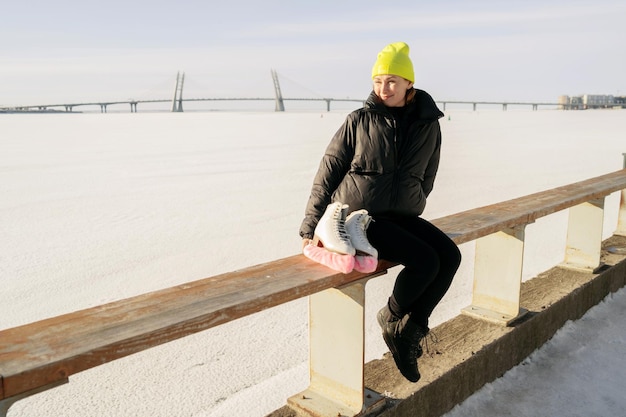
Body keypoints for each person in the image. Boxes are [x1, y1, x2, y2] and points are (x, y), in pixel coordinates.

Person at [299, 42, 461, 383]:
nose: (383, 88)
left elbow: (428, 173)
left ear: (408, 85)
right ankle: (393, 318)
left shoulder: (428, 124)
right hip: (359, 217)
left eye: (391, 80)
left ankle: (411, 329)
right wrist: (311, 225)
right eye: (378, 81)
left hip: (401, 215)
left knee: (449, 256)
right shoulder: (359, 120)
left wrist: (413, 199)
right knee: (426, 261)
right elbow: (328, 170)